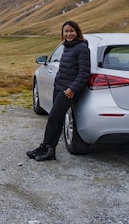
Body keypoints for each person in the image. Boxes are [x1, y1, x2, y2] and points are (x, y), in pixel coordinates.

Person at [27, 20, 91, 161]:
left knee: (53, 119)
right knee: (54, 120)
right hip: (60, 88)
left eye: (71, 31)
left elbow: (84, 73)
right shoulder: (67, 46)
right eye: (66, 31)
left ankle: (49, 150)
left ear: (77, 32)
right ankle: (45, 148)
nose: (68, 34)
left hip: (68, 91)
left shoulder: (81, 48)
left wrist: (72, 89)